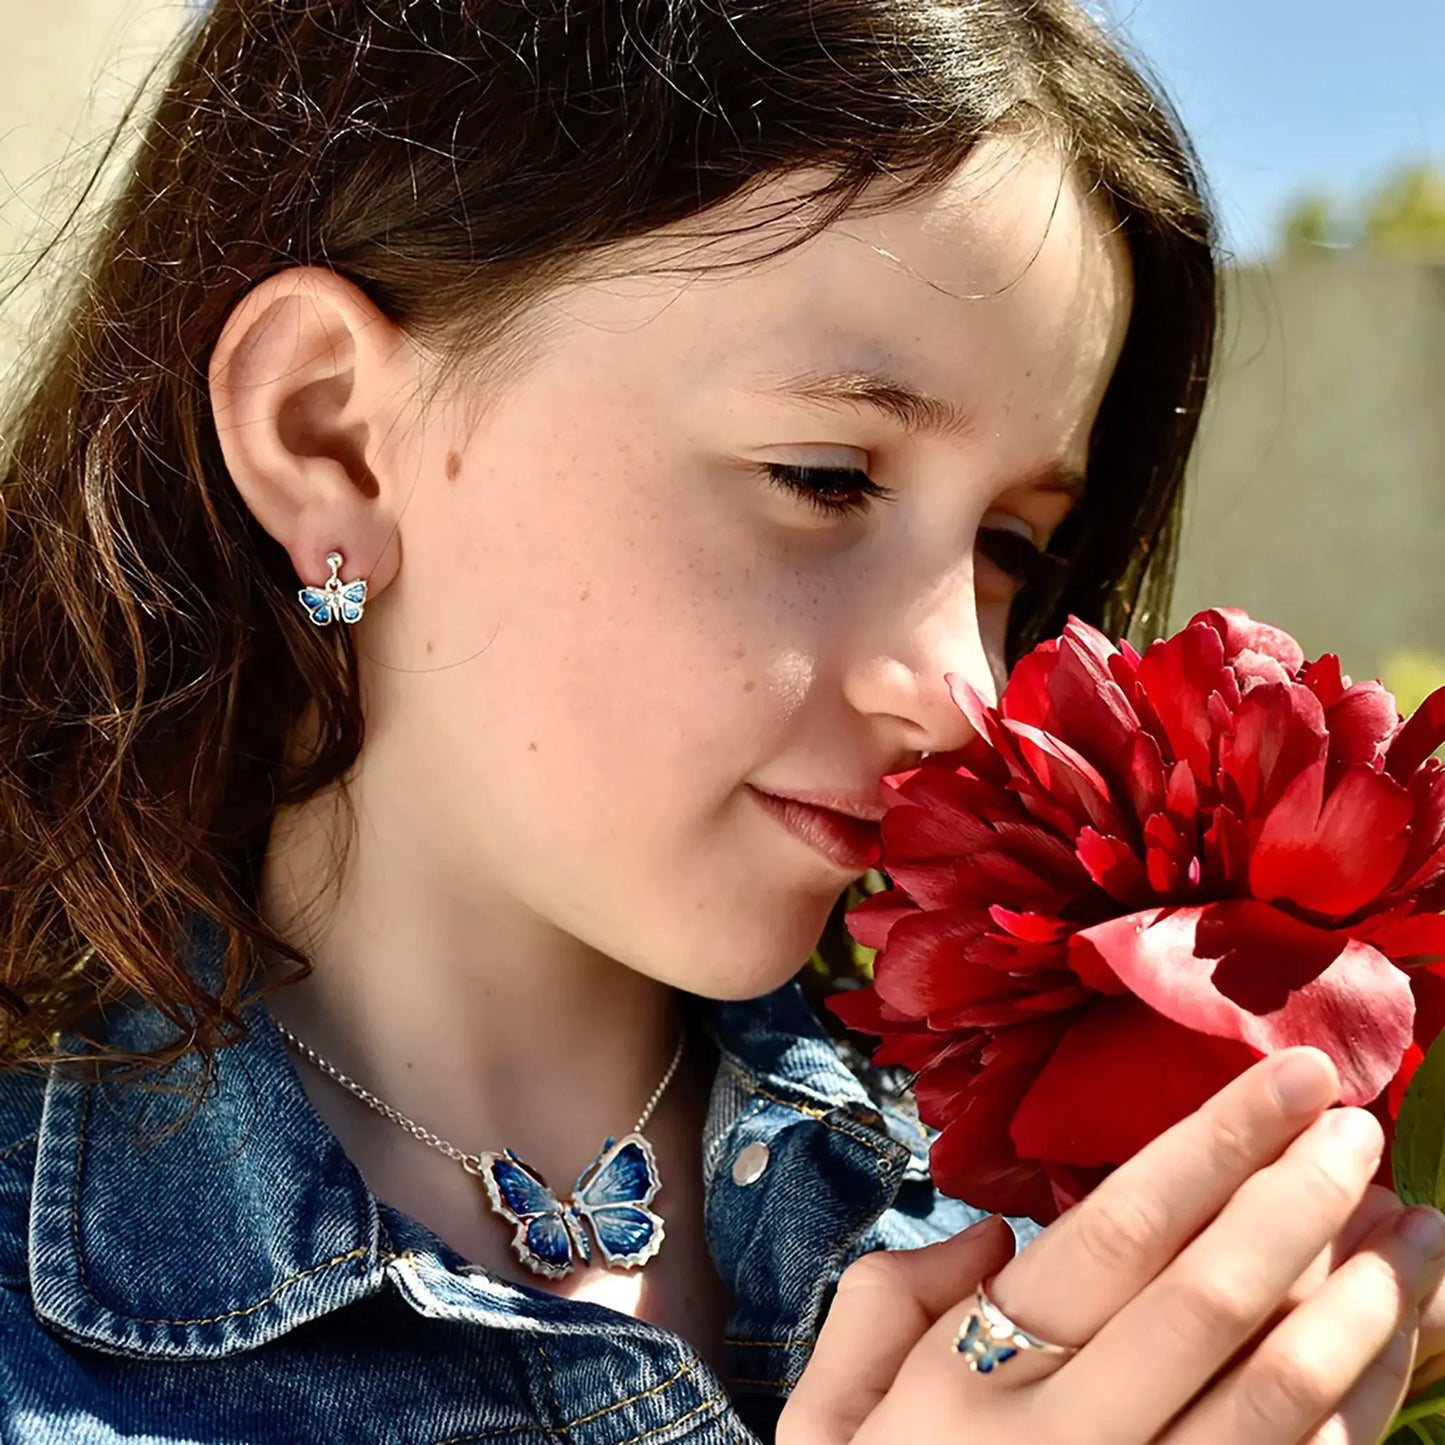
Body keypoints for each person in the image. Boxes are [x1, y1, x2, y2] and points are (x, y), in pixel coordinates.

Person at [0, 1, 1440, 1441]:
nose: (963, 683)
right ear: (326, 436)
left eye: (1008, 544)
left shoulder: (1080, 1241)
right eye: (824, 476)